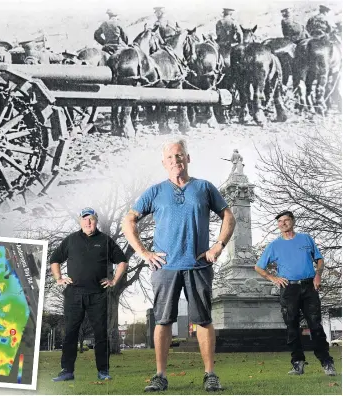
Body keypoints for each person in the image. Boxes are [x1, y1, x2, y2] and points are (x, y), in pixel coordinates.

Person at [122, 139, 236, 392]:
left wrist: (218, 246)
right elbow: (129, 220)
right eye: (171, 157)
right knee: (163, 321)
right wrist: (143, 252)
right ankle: (160, 376)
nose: (176, 161)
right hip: (165, 267)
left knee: (204, 320)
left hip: (198, 265)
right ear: (164, 163)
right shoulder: (155, 192)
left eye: (180, 155)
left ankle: (210, 375)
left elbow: (228, 216)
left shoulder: (204, 187)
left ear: (188, 158)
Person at [50, 207, 128, 382]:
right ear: (80, 221)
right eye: (84, 219)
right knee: (70, 333)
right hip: (73, 295)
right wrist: (59, 278)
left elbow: (122, 261)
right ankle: (67, 371)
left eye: (91, 219)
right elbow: (54, 259)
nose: (88, 222)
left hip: (97, 295)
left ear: (96, 220)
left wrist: (114, 280)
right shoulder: (70, 240)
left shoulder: (105, 241)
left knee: (101, 333)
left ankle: (103, 371)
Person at [254, 210, 336, 377]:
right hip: (289, 289)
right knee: (292, 326)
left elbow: (319, 259)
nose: (283, 223)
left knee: (316, 325)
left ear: (293, 221)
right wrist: (273, 278)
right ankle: (297, 363)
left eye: (286, 220)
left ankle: (327, 362)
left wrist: (318, 275)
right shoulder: (274, 245)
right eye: (280, 221)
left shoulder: (306, 239)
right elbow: (258, 267)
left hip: (309, 287)